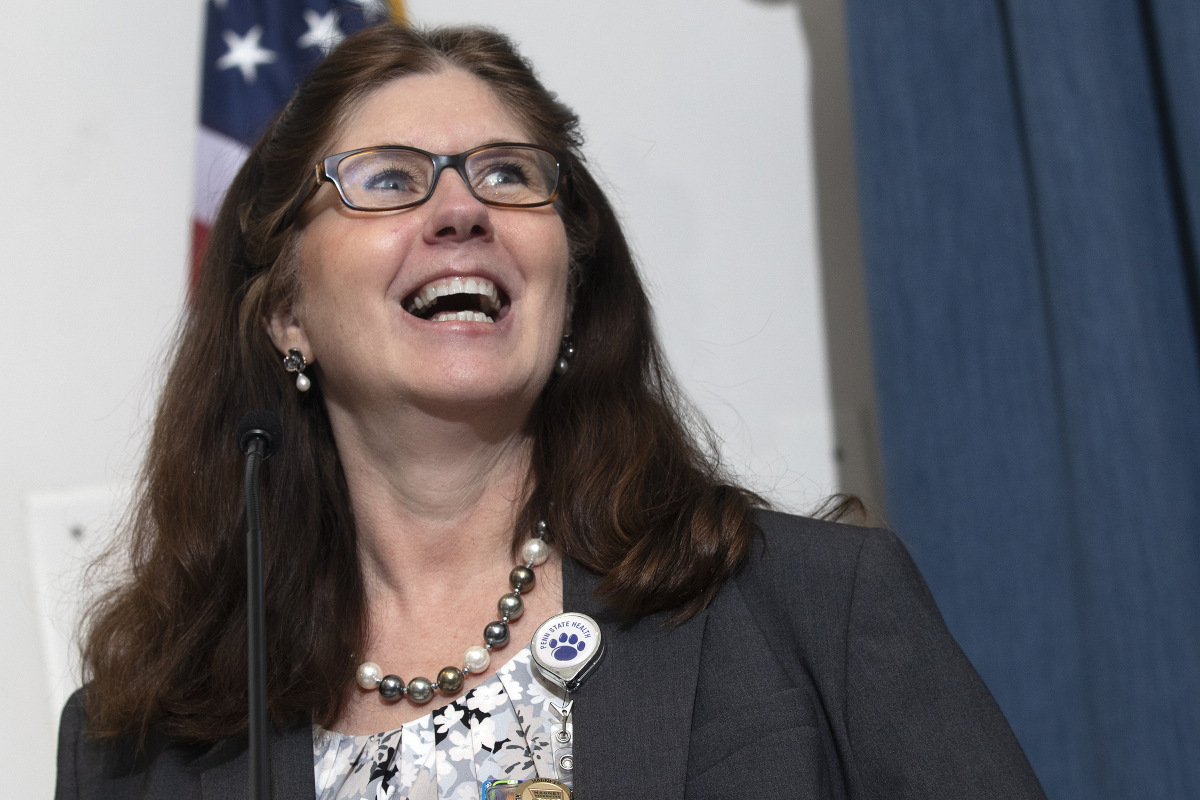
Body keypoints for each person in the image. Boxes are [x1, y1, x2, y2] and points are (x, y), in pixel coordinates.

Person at [54, 22, 1047, 800]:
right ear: (284, 315)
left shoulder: (819, 607)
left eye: (508, 173)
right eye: (390, 179)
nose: (460, 209)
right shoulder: (135, 748)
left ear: (570, 286)